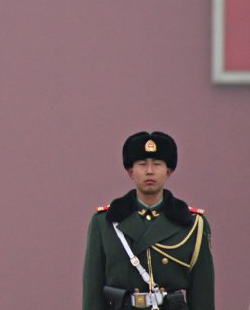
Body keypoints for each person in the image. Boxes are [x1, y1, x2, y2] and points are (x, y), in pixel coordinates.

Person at [82, 131, 214, 310]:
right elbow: (93, 293)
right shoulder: (105, 222)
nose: (150, 171)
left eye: (157, 164)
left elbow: (202, 295)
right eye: (142, 164)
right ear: (131, 172)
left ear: (168, 171)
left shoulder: (192, 225)